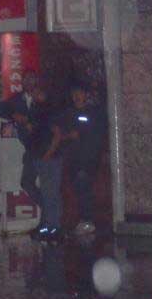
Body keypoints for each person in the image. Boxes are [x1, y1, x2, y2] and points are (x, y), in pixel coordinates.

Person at [0, 72, 41, 219]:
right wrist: (13, 116)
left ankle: (50, 217)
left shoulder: (44, 99)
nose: (30, 83)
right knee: (27, 182)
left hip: (45, 149)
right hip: (29, 149)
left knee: (43, 184)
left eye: (33, 80)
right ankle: (47, 214)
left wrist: (29, 120)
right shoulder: (15, 100)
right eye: (27, 80)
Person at [62, 82, 106, 236]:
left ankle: (88, 220)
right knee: (79, 189)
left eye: (79, 93)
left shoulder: (92, 113)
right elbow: (65, 133)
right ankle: (83, 220)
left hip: (87, 161)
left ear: (86, 95)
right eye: (74, 94)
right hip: (75, 160)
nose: (76, 97)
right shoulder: (70, 113)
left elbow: (91, 134)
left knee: (84, 188)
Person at [26, 85, 66, 241]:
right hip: (42, 156)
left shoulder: (48, 111)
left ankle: (54, 226)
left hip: (50, 157)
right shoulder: (37, 111)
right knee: (47, 192)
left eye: (38, 92)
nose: (35, 95)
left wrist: (49, 153)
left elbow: (57, 134)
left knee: (50, 193)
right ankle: (49, 225)